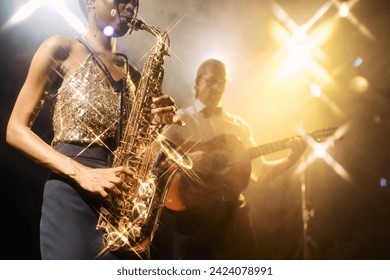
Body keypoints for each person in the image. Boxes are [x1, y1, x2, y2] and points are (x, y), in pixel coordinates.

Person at [6, 0, 182, 260]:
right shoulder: (60, 48)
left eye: (135, 0)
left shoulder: (136, 74)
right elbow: (15, 130)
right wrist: (83, 174)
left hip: (121, 207)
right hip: (71, 197)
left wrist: (157, 125)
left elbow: (139, 147)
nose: (131, 5)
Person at [157, 59, 307, 260]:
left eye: (222, 82)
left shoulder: (239, 126)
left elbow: (260, 173)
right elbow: (154, 161)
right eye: (211, 81)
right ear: (197, 82)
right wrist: (185, 160)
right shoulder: (178, 120)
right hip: (192, 212)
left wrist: (291, 159)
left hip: (233, 216)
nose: (217, 87)